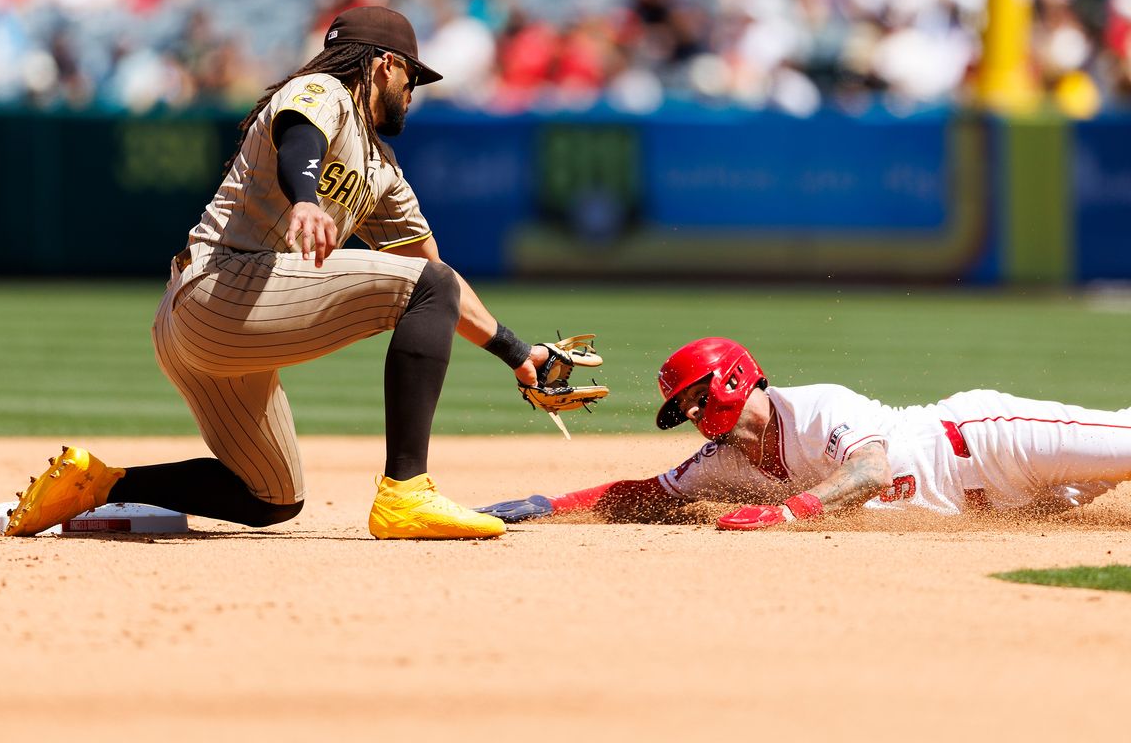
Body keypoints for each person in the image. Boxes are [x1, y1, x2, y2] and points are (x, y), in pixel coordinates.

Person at [6, 6, 561, 540]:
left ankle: (95, 482)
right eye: (412, 76)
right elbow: (299, 132)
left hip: (205, 335)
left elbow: (435, 276)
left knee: (271, 495)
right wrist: (304, 197)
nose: (412, 92)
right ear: (384, 64)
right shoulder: (323, 90)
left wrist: (516, 353)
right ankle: (405, 491)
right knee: (427, 290)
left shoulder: (382, 171)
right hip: (220, 288)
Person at [477, 337, 1131, 529]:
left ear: (735, 378)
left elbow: (870, 471)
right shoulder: (723, 461)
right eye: (685, 409)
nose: (698, 416)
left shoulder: (814, 407)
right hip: (1013, 506)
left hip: (988, 441)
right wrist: (546, 507)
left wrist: (787, 512)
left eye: (698, 397)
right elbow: (645, 492)